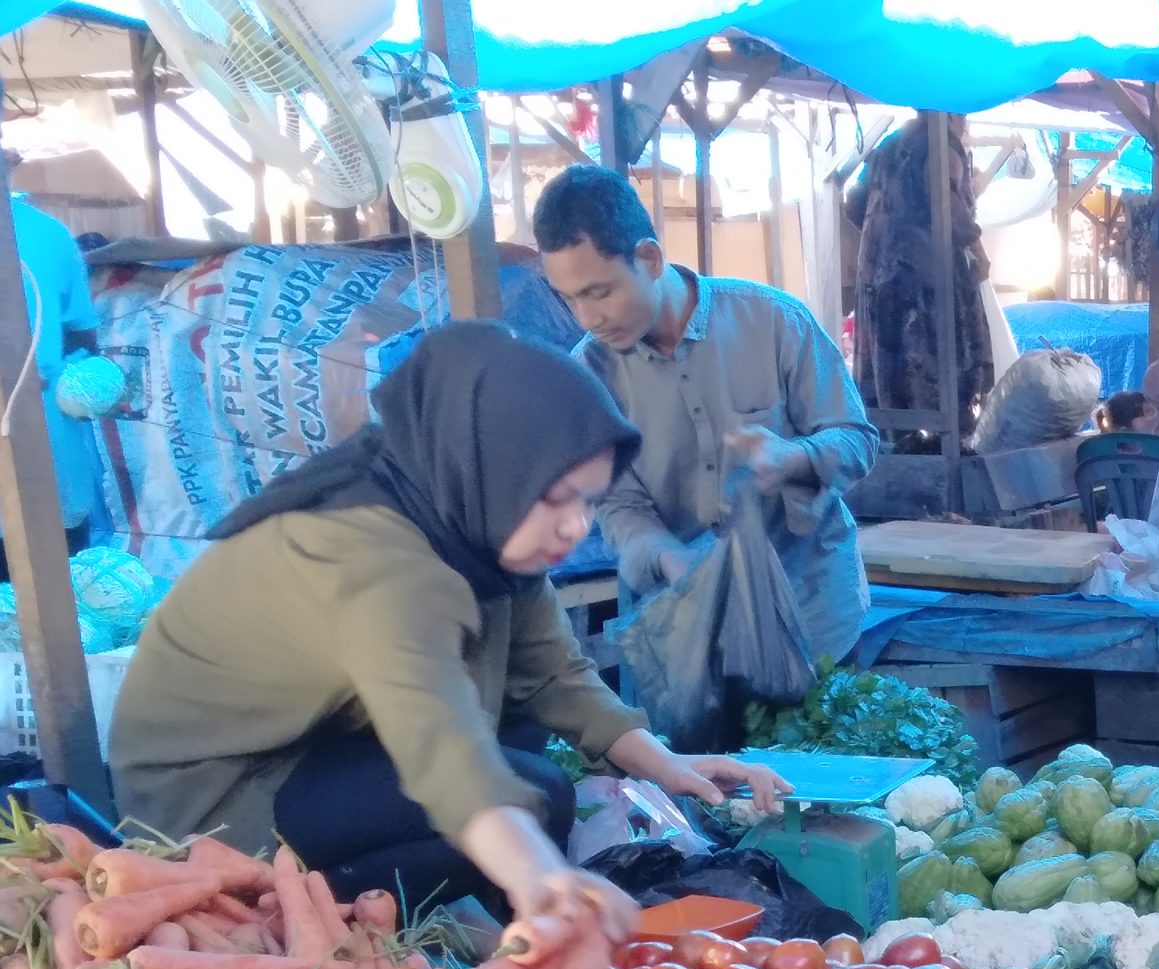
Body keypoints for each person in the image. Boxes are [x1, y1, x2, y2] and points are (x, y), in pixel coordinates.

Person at [109, 324, 786, 920]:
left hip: (317, 739)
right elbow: (438, 740)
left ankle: (443, 911)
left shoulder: (473, 518)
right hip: (213, 794)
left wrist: (666, 766)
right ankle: (293, 913)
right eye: (555, 499)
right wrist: (543, 883)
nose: (577, 527)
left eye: (589, 501)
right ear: (489, 465)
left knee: (522, 752)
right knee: (533, 794)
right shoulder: (373, 557)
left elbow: (555, 675)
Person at [533, 166, 881, 668]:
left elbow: (857, 439)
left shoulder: (775, 321)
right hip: (686, 631)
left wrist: (795, 459)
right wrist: (669, 558)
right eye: (569, 299)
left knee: (825, 742)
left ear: (650, 258)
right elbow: (617, 503)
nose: (587, 319)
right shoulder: (588, 373)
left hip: (813, 613)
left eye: (599, 292)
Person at [2, 185, 100, 574]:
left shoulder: (46, 233)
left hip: (47, 462)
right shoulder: (48, 232)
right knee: (63, 609)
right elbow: (84, 340)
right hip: (51, 464)